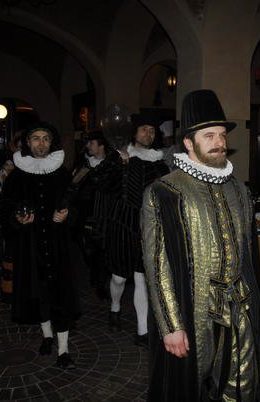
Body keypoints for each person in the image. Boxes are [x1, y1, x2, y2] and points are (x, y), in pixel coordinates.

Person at [142, 89, 260, 402]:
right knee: (190, 388)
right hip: (194, 310)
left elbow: (249, 255)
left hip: (240, 308)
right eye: (209, 135)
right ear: (189, 142)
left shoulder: (239, 189)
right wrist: (171, 326)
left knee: (241, 387)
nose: (219, 142)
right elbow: (157, 265)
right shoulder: (164, 192)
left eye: (222, 135)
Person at [0, 122, 80, 369]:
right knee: (38, 293)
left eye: (45, 138)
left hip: (58, 245)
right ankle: (47, 336)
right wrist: (17, 218)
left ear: (51, 143)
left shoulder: (62, 173)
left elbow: (78, 204)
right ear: (27, 143)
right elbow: (4, 208)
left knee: (60, 295)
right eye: (36, 138)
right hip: (30, 245)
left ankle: (63, 350)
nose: (41, 143)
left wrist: (68, 215)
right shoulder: (16, 176)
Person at [106, 114, 169, 348]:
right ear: (134, 133)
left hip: (148, 226)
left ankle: (142, 330)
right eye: (144, 129)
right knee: (119, 278)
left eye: (152, 130)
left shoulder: (160, 164)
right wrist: (117, 161)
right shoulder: (121, 157)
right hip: (123, 224)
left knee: (142, 277)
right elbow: (101, 182)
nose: (148, 134)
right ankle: (114, 307)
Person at [67, 130, 122, 300]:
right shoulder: (84, 164)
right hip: (84, 215)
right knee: (88, 250)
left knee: (102, 250)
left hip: (106, 214)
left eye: (91, 143)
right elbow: (73, 186)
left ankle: (100, 283)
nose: (88, 146)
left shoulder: (113, 164)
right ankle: (95, 273)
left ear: (101, 145)